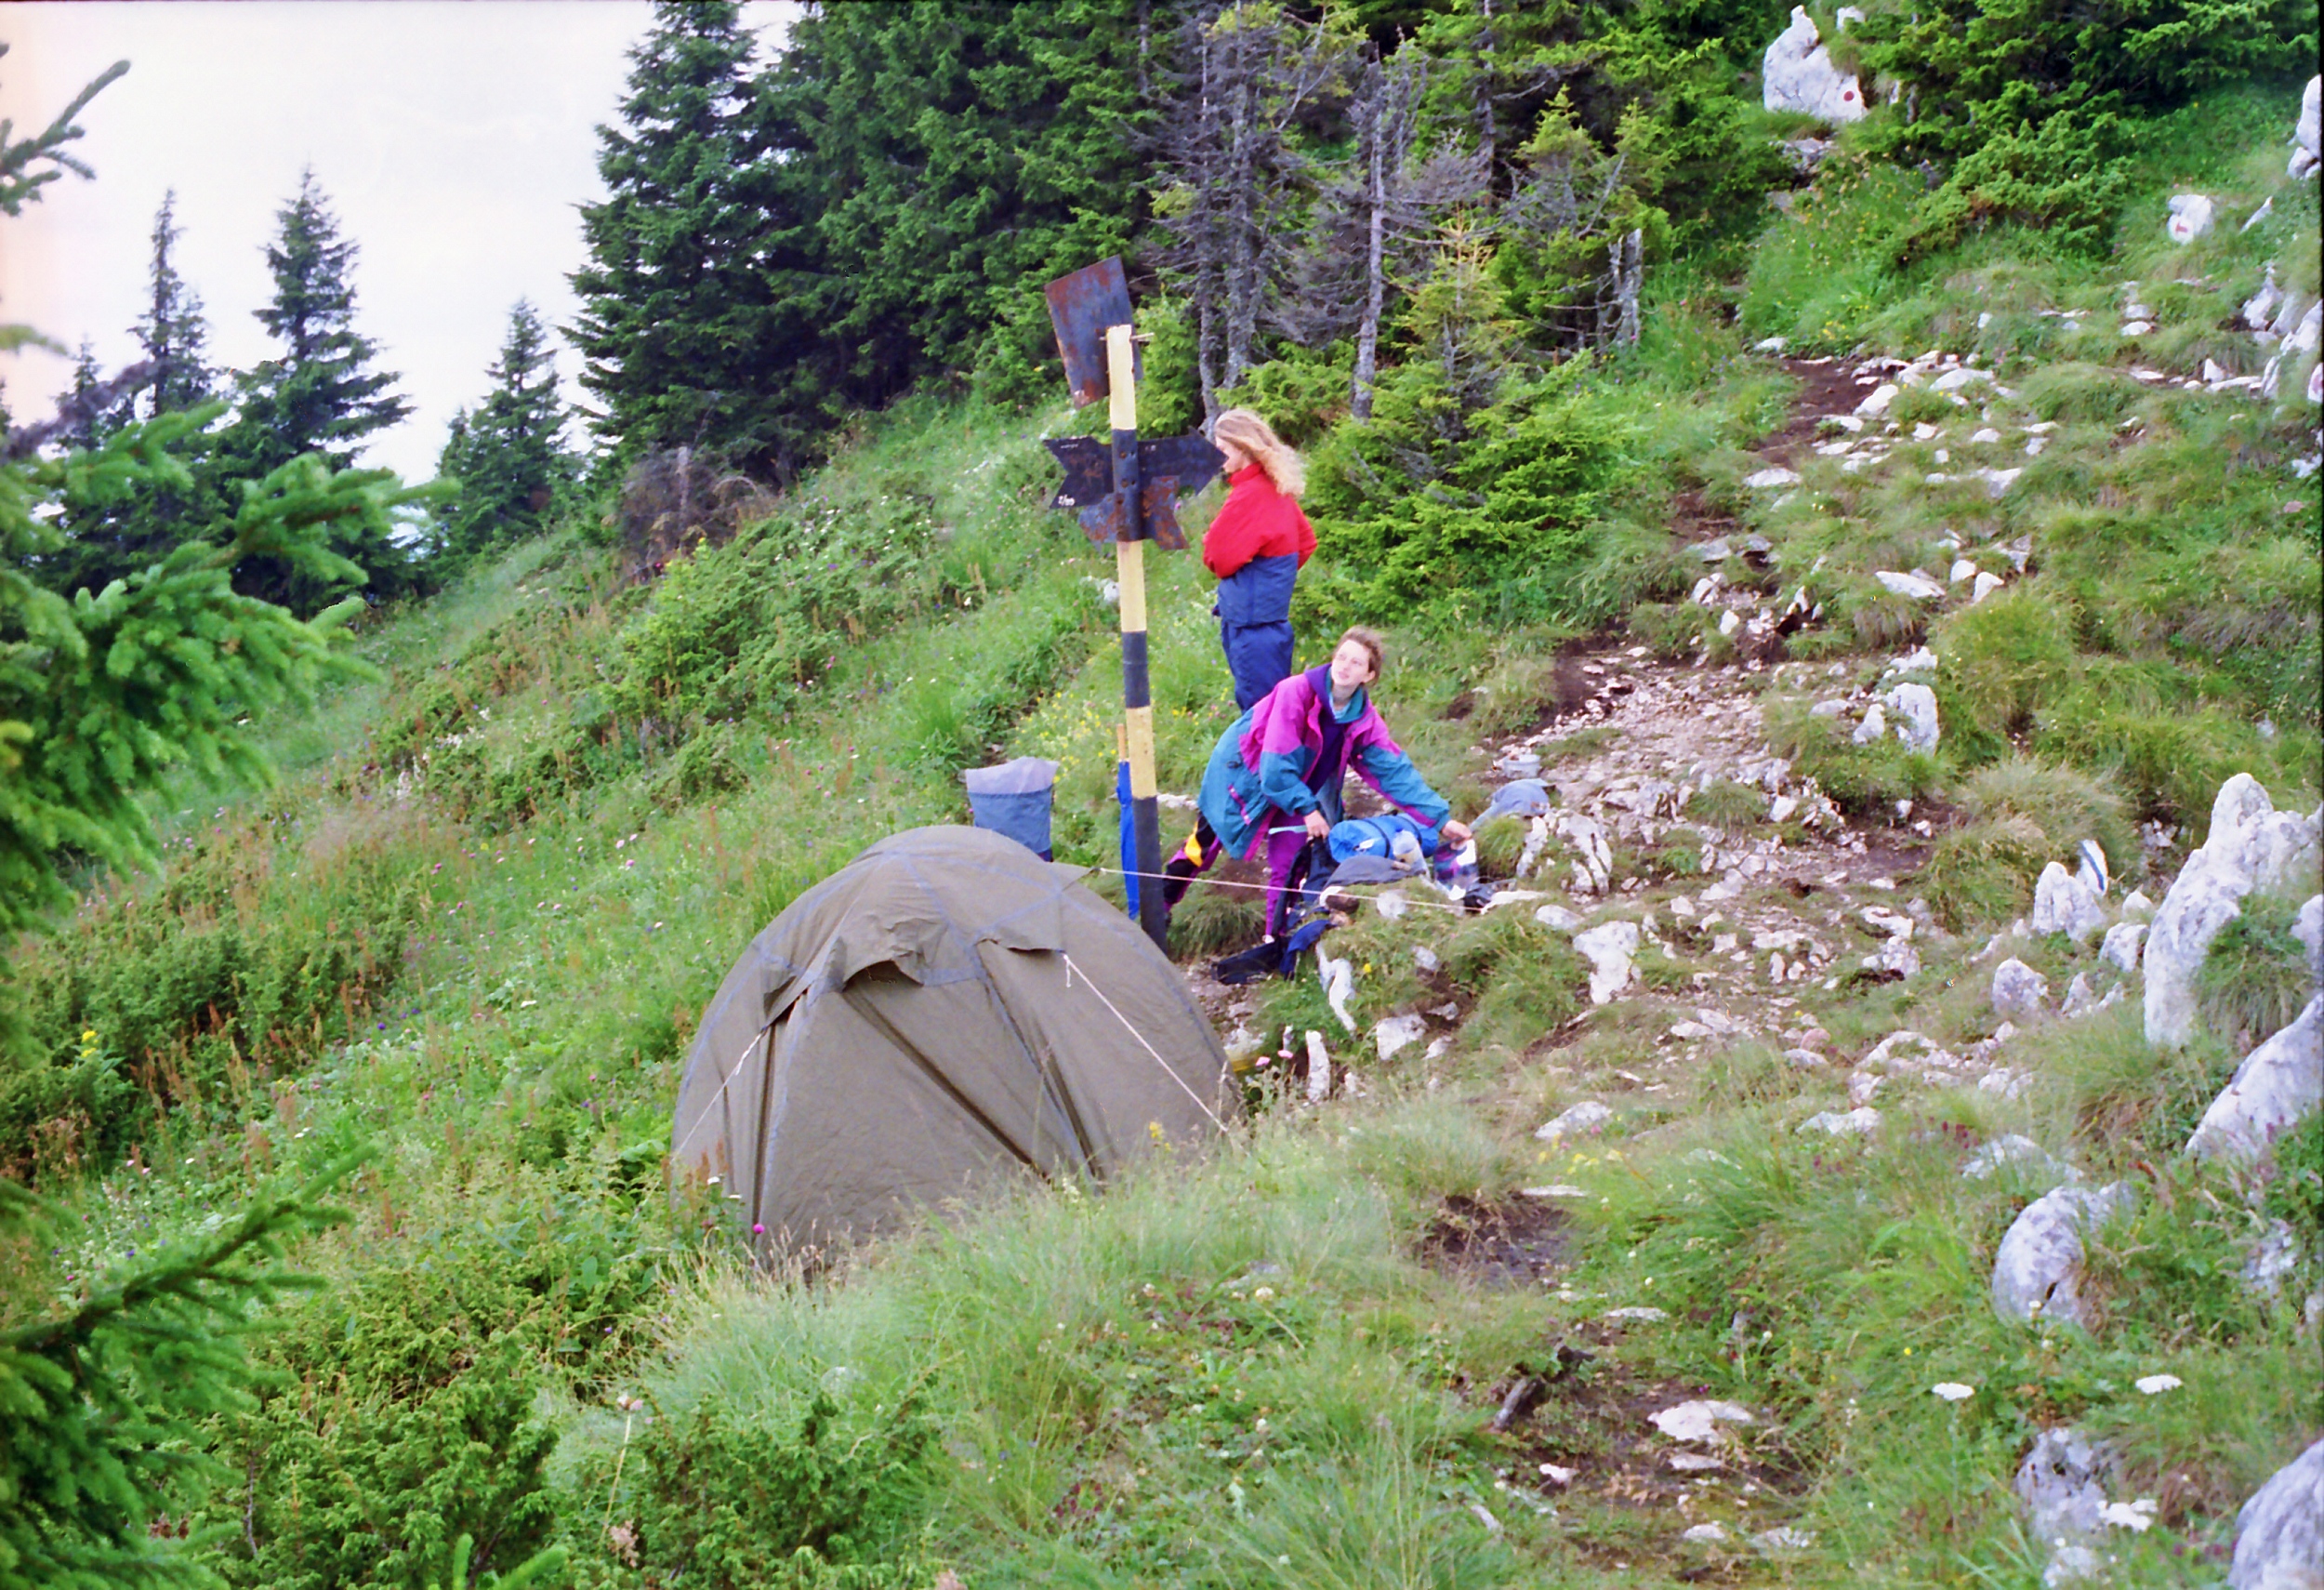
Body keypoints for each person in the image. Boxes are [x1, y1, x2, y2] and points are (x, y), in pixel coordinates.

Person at [1169, 627, 1471, 954]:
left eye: (1356, 663)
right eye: (1341, 656)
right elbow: (1275, 768)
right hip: (1242, 776)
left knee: (1291, 862)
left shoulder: (1362, 718)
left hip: (1301, 787)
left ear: (1368, 675)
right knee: (1203, 846)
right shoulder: (1295, 692)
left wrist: (1440, 819)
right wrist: (1309, 809)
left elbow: (1395, 772)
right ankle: (1157, 906)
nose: (1344, 666)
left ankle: (1274, 944)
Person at [1202, 408, 1315, 710]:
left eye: (1223, 448)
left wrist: (1255, 578)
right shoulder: (1274, 489)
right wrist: (1273, 580)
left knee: (1261, 718)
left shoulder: (1250, 495)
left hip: (1251, 630)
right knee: (1277, 712)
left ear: (1243, 447)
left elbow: (1216, 556)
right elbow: (1305, 542)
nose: (1218, 456)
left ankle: (1267, 761)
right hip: (1271, 625)